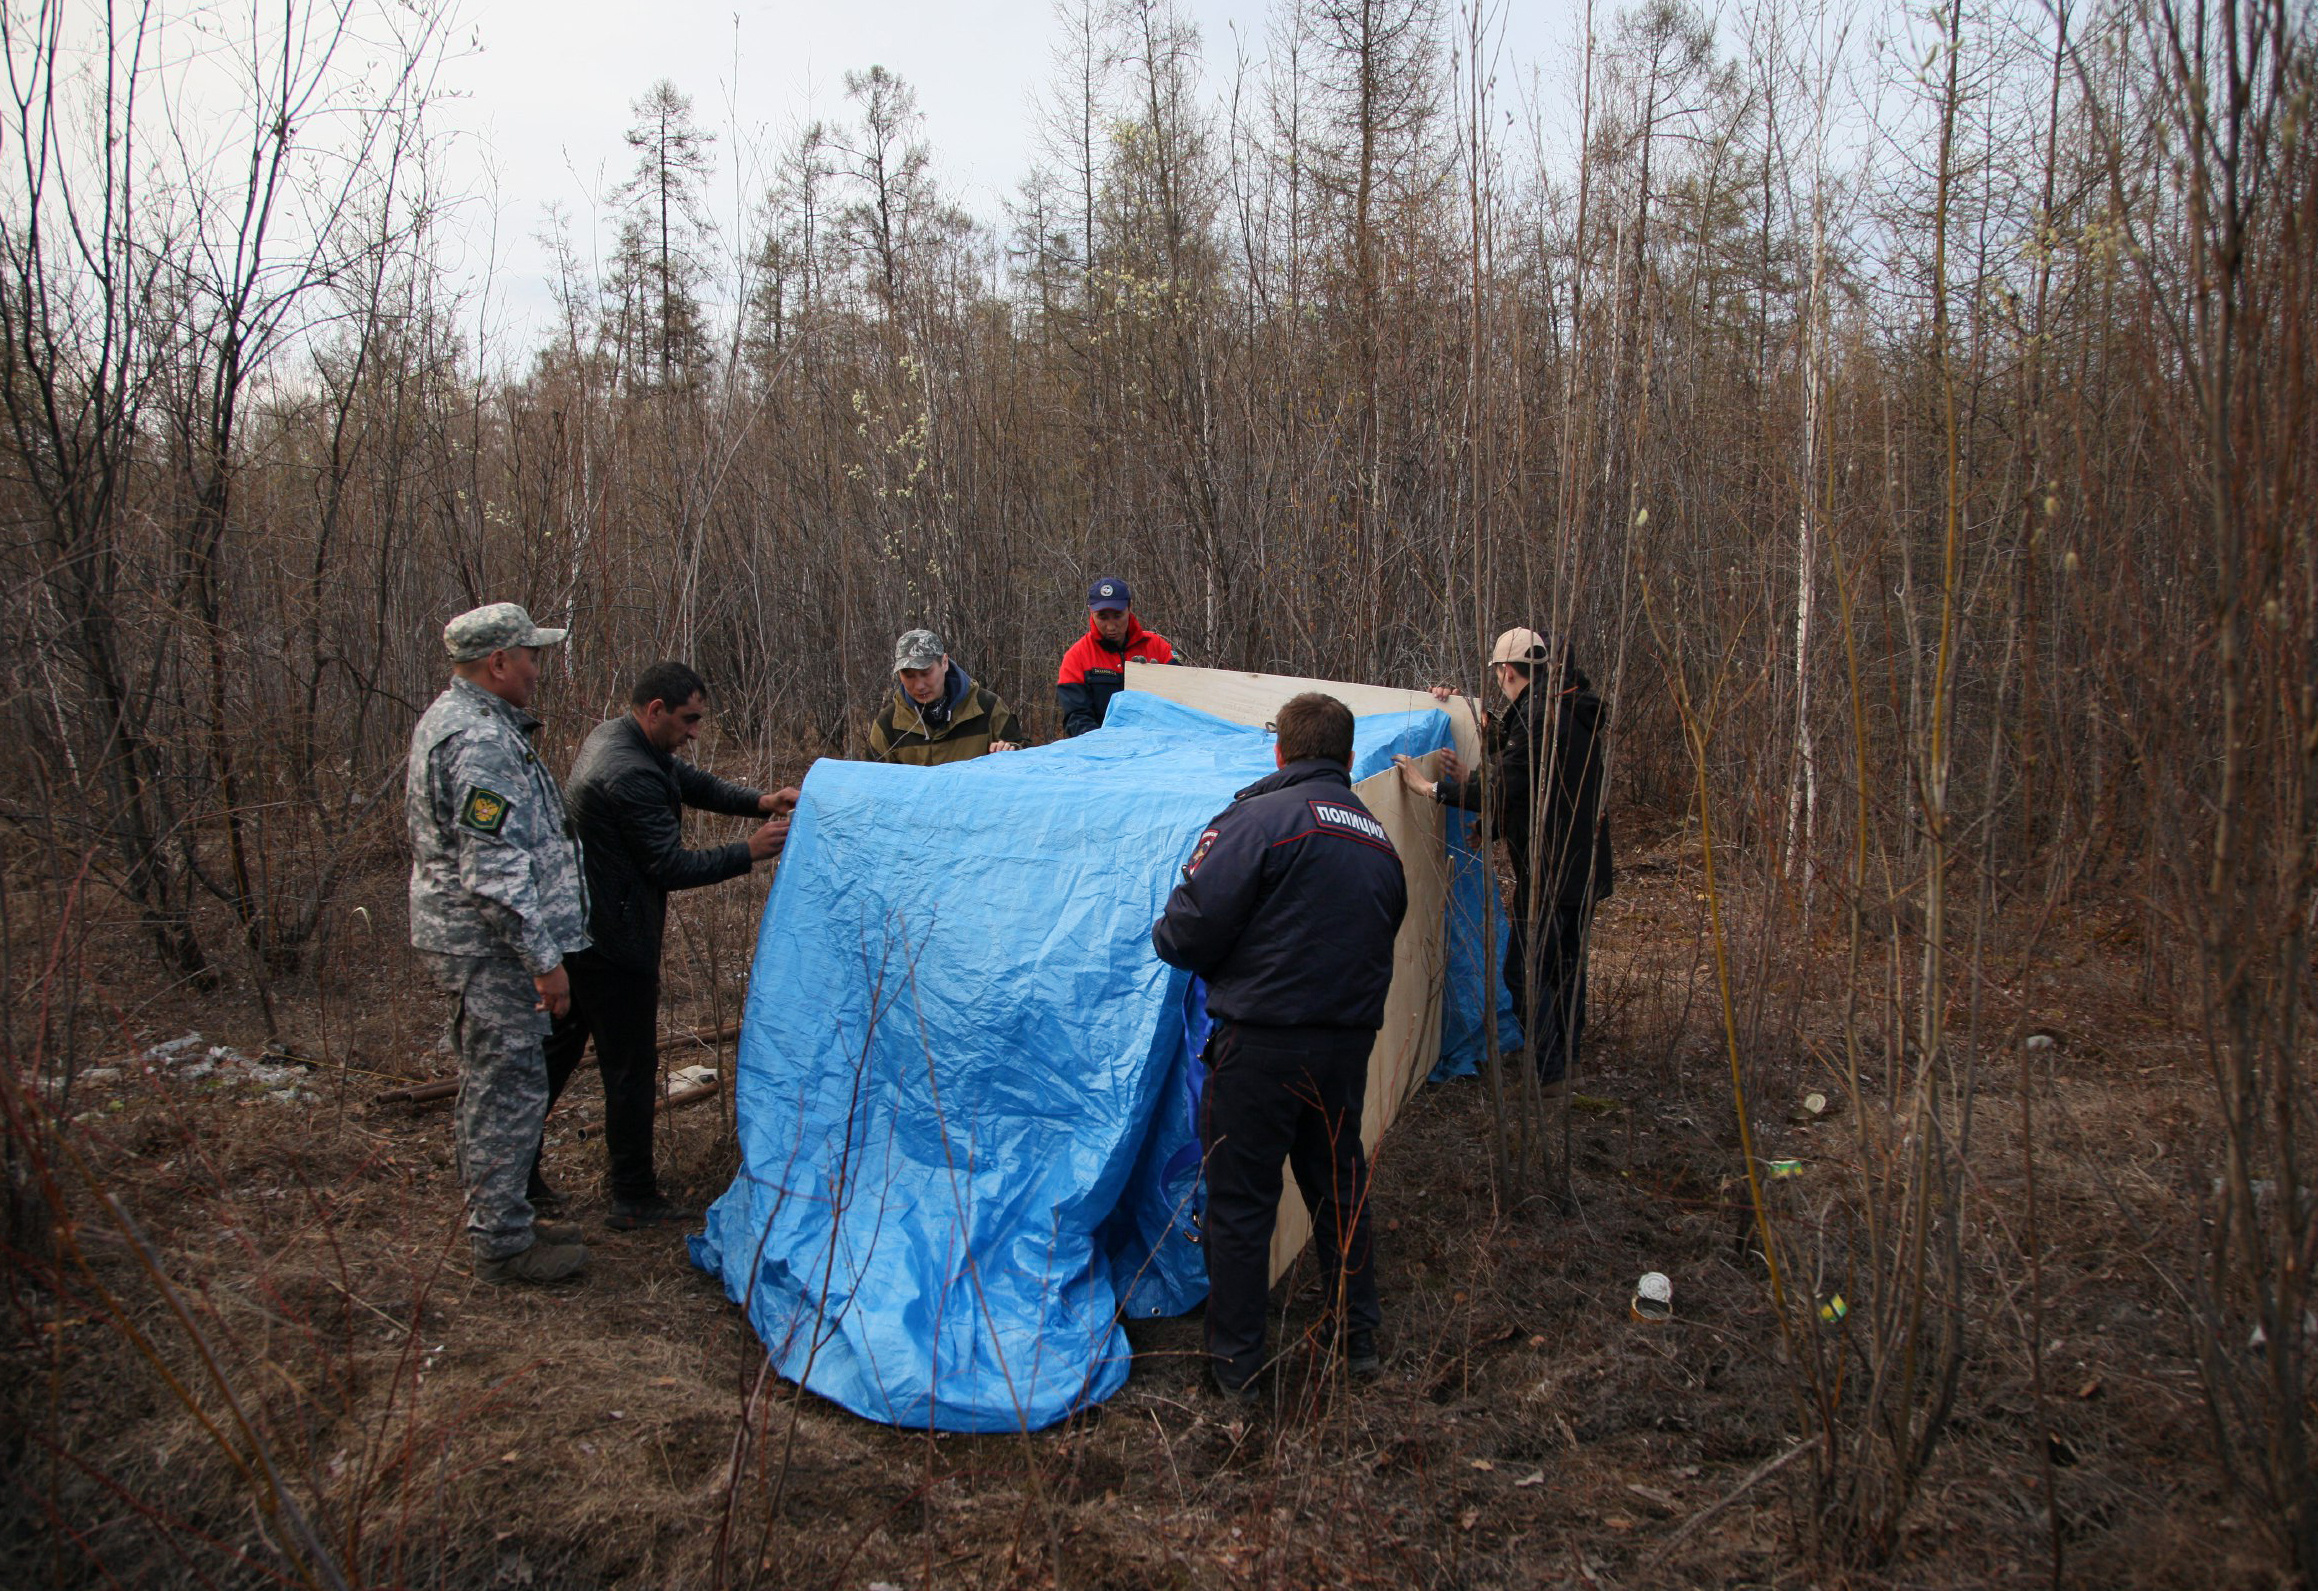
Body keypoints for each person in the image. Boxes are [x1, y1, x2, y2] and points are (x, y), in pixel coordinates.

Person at [1152, 692, 1408, 1400]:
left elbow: (1184, 932)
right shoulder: (1378, 840)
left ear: (1279, 752)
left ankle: (1237, 1369)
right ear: (1350, 759)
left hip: (1260, 1047)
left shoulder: (1256, 820)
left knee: (1241, 1205)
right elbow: (1381, 937)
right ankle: (1358, 1341)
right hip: (1345, 1048)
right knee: (1339, 1190)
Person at [530, 661, 799, 1231]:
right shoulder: (626, 773)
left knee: (553, 1058)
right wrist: (748, 851)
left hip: (578, 930)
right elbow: (668, 864)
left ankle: (515, 1173)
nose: (695, 732)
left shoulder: (622, 739)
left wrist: (758, 801)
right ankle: (633, 1197)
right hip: (609, 943)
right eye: (688, 720)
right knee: (630, 1068)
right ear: (656, 710)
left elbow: (684, 780)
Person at [406, 602, 592, 1285]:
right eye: (531, 656)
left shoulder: (469, 723)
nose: (537, 668)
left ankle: (503, 1213)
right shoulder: (478, 739)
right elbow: (492, 870)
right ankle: (503, 1242)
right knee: (507, 1084)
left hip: (480, 942)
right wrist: (544, 959)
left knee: (495, 1080)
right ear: (499, 663)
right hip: (489, 947)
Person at [1394, 627, 1612, 1096]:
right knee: (1565, 966)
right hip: (1581, 866)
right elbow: (1534, 785)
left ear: (1507, 671)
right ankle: (1566, 1062)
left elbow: (1509, 788)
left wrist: (1430, 788)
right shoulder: (1564, 708)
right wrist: (1451, 706)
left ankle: (1550, 1075)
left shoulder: (1541, 718)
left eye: (1497, 674)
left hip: (1555, 871)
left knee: (1528, 970)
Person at [867, 629, 1026, 765]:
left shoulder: (988, 707)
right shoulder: (887, 725)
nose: (919, 685)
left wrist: (1010, 751)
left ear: (944, 663)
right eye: (909, 676)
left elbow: (1026, 762)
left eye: (925, 673)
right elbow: (871, 787)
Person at [1057, 576, 1174, 735]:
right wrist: (1105, 746)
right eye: (1103, 618)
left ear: (1129, 608)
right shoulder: (1076, 657)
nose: (1111, 626)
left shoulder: (1158, 647)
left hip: (1155, 747)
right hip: (1101, 751)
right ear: (1091, 612)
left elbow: (1181, 702)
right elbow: (1076, 718)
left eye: (1118, 616)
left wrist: (1159, 680)